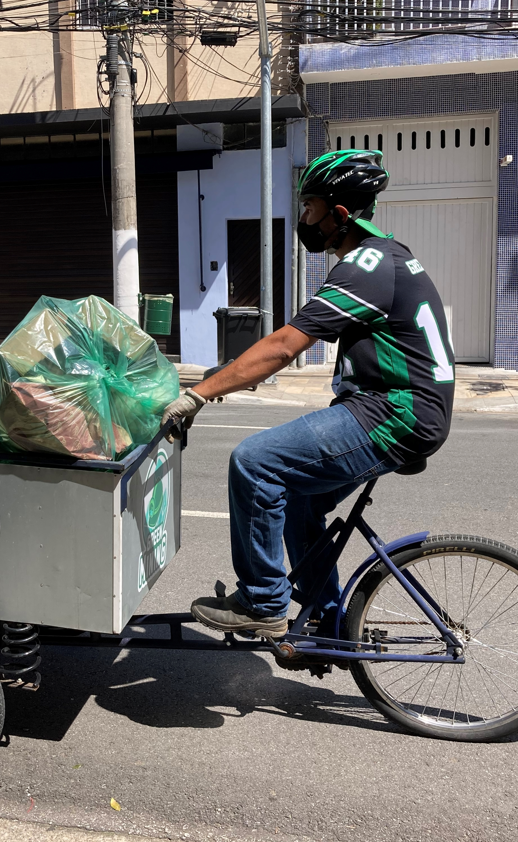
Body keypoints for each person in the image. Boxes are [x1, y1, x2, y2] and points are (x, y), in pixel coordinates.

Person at [160, 150, 456, 638]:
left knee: (256, 462)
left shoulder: (367, 265)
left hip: (392, 414)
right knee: (297, 496)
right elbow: (272, 349)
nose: (303, 218)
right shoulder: (387, 256)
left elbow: (283, 346)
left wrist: (198, 396)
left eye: (309, 207)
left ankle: (262, 604)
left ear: (339, 214)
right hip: (397, 410)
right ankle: (324, 615)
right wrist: (220, 376)